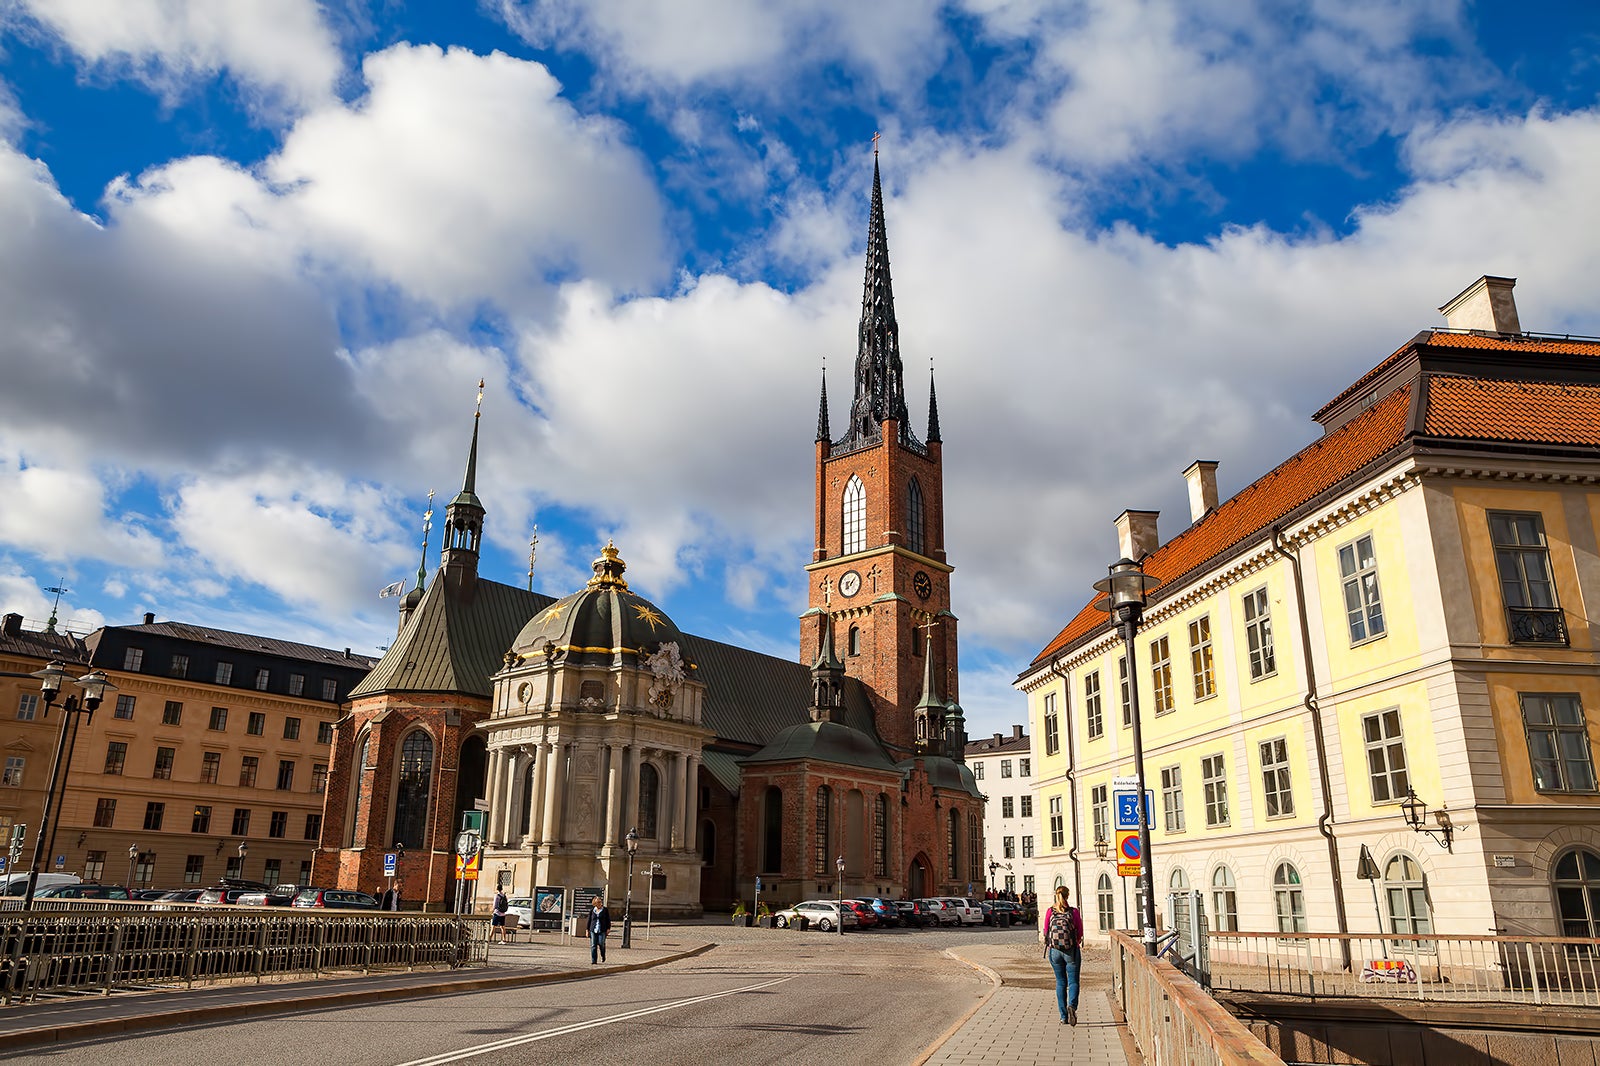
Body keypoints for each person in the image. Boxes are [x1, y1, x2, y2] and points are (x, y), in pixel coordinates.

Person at [1041, 885, 1083, 1026]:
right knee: (1073, 981)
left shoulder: (1050, 912)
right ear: (1068, 895)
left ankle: (1063, 1017)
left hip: (1055, 951)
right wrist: (1075, 942)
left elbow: (1046, 931)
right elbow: (1080, 931)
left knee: (1060, 982)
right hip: (1071, 950)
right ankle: (1072, 1006)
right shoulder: (1074, 912)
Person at [587, 896, 613, 965]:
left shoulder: (605, 910)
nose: (599, 904)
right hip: (593, 929)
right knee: (593, 945)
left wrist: (608, 928)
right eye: (597, 902)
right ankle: (594, 960)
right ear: (594, 903)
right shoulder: (592, 911)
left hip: (602, 929)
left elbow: (608, 920)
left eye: (600, 902)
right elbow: (589, 921)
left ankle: (603, 955)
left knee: (601, 943)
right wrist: (587, 930)